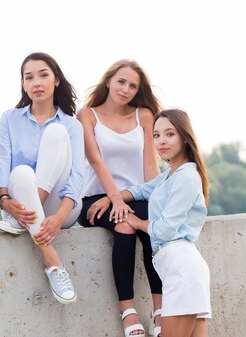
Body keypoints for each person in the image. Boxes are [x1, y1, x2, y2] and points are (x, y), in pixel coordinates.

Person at [78, 60, 163, 337]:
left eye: (132, 85)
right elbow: (95, 160)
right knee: (125, 225)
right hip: (95, 198)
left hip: (135, 195)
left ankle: (159, 311)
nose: (125, 89)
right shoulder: (87, 115)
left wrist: (158, 202)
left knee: (151, 222)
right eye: (121, 81)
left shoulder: (145, 116)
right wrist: (113, 199)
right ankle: (128, 311)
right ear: (108, 81)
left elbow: (150, 167)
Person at [0, 52, 85, 304]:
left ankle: (28, 215)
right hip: (18, 205)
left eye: (43, 75)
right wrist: (4, 201)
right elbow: (1, 165)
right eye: (29, 77)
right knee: (21, 172)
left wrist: (58, 217)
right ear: (23, 84)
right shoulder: (9, 119)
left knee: (55, 132)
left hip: (60, 208)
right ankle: (54, 263)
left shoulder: (72, 125)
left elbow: (78, 175)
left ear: (56, 80)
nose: (37, 82)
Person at [119, 109, 211, 337]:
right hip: (180, 269)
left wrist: (138, 223)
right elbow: (141, 190)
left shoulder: (187, 176)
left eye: (170, 134)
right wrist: (110, 199)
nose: (162, 141)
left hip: (181, 268)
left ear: (185, 137)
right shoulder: (171, 175)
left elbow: (166, 229)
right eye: (157, 135)